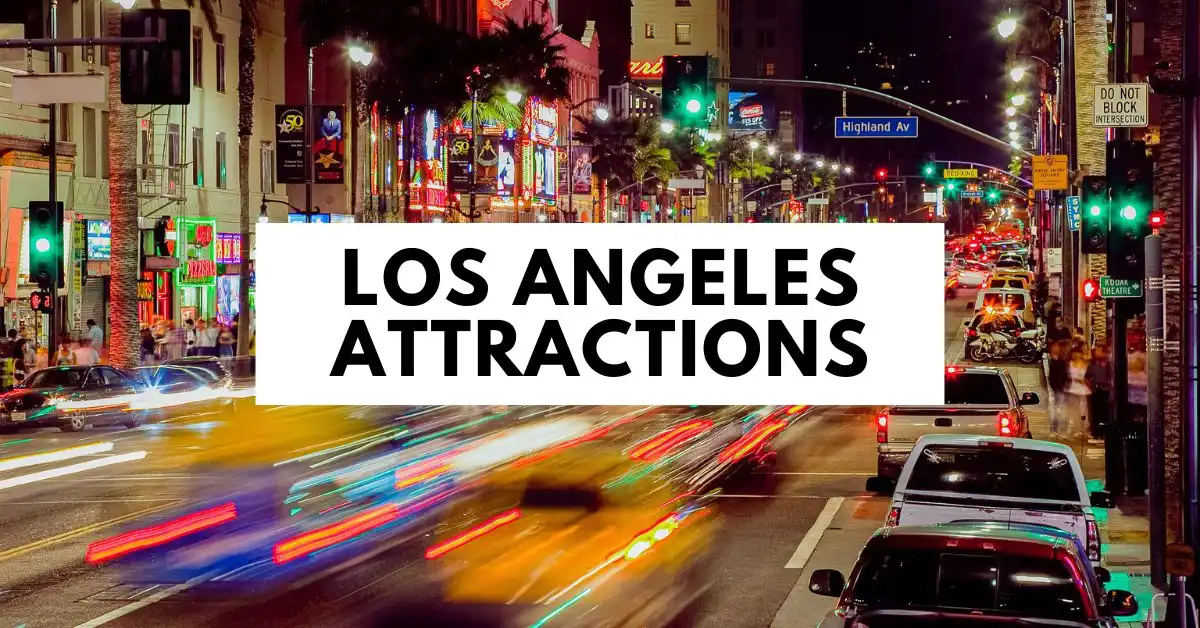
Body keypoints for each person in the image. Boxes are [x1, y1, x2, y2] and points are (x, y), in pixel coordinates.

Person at [1085, 346, 1111, 442]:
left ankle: (1105, 433)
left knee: (1106, 413)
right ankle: (1096, 433)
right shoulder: (1092, 365)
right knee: (1095, 413)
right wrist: (1091, 387)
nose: (1096, 353)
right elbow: (1086, 378)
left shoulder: (1110, 364)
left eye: (1098, 351)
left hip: (1107, 391)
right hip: (1096, 391)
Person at [1047, 340, 1070, 437]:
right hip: (1057, 389)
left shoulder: (1062, 361)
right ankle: (1054, 430)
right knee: (1056, 410)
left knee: (1063, 411)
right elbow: (1051, 377)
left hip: (1062, 389)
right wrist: (1054, 387)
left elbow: (1065, 375)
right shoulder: (1054, 361)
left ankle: (1062, 430)